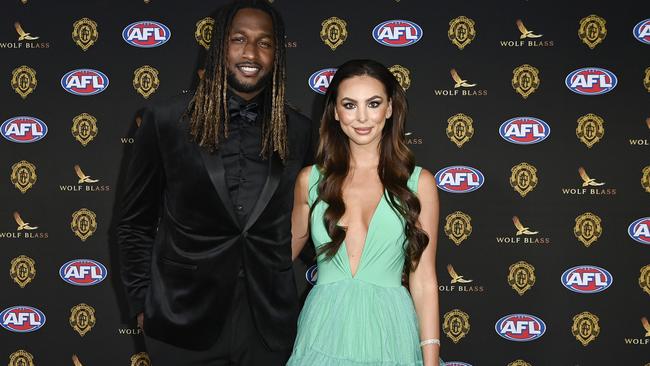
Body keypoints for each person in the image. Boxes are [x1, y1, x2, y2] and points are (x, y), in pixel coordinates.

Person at [116, 1, 314, 365]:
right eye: (239, 39)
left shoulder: (300, 132)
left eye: (264, 43)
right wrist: (142, 303)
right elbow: (134, 224)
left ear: (277, 54)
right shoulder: (165, 120)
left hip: (268, 326)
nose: (251, 53)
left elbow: (314, 227)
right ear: (219, 44)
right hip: (182, 322)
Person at [288, 59, 444, 366]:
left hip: (391, 335)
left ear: (389, 108)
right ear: (334, 111)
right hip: (323, 333)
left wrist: (431, 360)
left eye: (373, 104)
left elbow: (424, 281)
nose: (362, 117)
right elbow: (275, 261)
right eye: (349, 104)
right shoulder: (310, 180)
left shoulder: (418, 183)